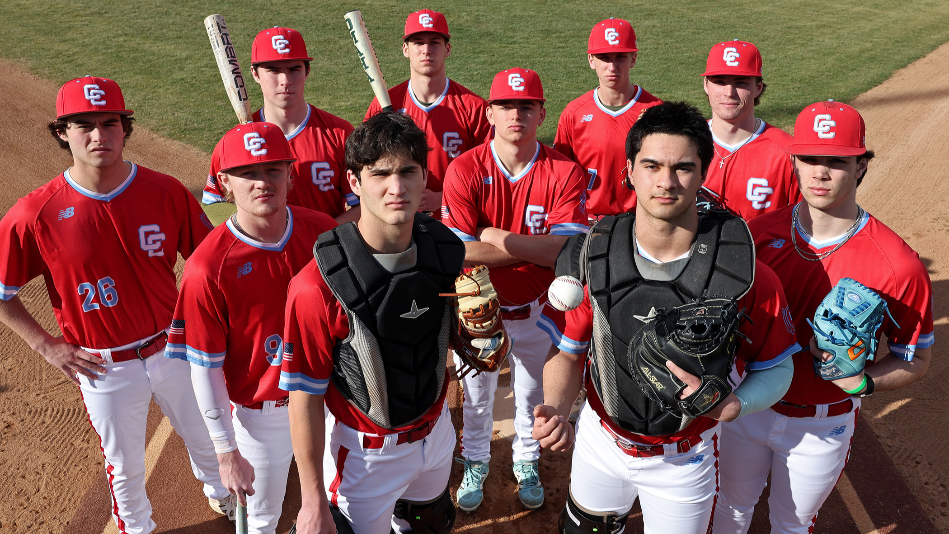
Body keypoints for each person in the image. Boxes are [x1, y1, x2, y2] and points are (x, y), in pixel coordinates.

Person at [532, 101, 801, 534]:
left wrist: (735, 405)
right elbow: (567, 352)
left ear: (703, 174)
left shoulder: (743, 274)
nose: (666, 182)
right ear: (629, 170)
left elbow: (777, 366)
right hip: (601, 441)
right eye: (652, 165)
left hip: (685, 457)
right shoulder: (594, 259)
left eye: (683, 168)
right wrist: (557, 408)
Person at [0, 76, 230, 533]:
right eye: (83, 124)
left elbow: (215, 261)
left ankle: (223, 496)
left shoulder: (164, 192)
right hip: (102, 367)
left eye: (110, 123)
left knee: (207, 441)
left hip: (175, 349)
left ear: (126, 128)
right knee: (124, 470)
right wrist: (47, 346)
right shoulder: (35, 214)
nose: (98, 135)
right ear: (62, 131)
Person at [712, 101, 934, 534]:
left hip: (822, 423)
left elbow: (916, 358)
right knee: (730, 510)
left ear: (861, 167)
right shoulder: (757, 234)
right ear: (793, 161)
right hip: (749, 405)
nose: (820, 172)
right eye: (810, 158)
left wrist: (865, 382)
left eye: (836, 161)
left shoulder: (897, 265)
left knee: (792, 525)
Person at [282, 111, 464, 534]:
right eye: (380, 174)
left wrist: (480, 337)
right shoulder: (316, 286)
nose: (396, 188)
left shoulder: (445, 252)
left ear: (424, 178)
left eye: (407, 172)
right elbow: (303, 396)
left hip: (436, 436)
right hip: (366, 459)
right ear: (354, 182)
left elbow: (437, 333)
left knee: (430, 523)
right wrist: (311, 501)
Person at [167, 122, 337, 534]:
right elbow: (204, 367)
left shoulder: (324, 233)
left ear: (291, 175)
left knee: (340, 503)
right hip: (263, 416)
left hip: (331, 400)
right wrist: (226, 453)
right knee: (261, 520)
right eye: (248, 173)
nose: (263, 182)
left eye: (273, 170)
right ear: (224, 183)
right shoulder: (207, 268)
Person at [442, 68, 588, 512]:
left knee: (531, 396)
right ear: (489, 113)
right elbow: (459, 252)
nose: (516, 114)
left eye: (526, 106)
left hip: (542, 310)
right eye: (506, 105)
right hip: (479, 308)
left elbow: (562, 250)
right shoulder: (465, 168)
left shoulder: (563, 169)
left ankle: (526, 459)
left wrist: (490, 234)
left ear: (541, 113)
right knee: (478, 395)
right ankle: (476, 460)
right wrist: (534, 249)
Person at [203, 26, 358, 224]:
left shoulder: (339, 133)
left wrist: (324, 238)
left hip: (325, 252)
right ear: (255, 74)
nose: (285, 81)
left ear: (307, 71)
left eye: (294, 69)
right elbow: (214, 205)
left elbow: (366, 205)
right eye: (274, 71)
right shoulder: (233, 144)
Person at [365, 9, 492, 218]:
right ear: (405, 49)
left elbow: (490, 174)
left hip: (457, 222)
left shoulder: (474, 108)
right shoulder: (385, 104)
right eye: (418, 43)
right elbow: (369, 167)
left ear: (447, 49)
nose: (426, 50)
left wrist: (443, 197)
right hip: (398, 219)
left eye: (434, 42)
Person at [553, 18, 661, 222]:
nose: (612, 67)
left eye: (620, 57)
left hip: (642, 221)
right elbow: (560, 177)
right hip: (588, 221)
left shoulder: (656, 111)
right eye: (604, 58)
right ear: (591, 61)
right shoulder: (574, 113)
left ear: (633, 59)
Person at [699, 40, 800, 220]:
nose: (729, 92)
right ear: (706, 85)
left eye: (741, 83)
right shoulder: (684, 143)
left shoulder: (787, 154)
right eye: (720, 82)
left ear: (758, 88)